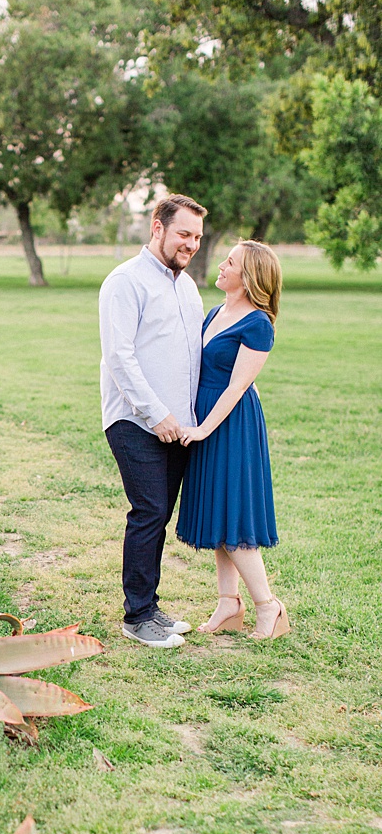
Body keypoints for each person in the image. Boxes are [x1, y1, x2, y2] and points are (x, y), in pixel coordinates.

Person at [99, 194, 208, 649]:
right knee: (148, 512)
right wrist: (156, 413)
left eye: (198, 237)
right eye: (184, 234)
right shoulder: (125, 282)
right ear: (157, 228)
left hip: (178, 426)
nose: (192, 244)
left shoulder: (187, 286)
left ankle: (150, 605)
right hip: (135, 420)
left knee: (159, 516)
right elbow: (120, 358)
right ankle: (136, 616)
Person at [176, 241, 287, 639]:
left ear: (250, 276)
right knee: (219, 516)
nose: (220, 266)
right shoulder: (217, 312)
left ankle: (267, 606)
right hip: (205, 419)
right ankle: (228, 603)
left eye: (230, 262)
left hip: (230, 424)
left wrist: (203, 428)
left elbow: (239, 386)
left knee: (235, 516)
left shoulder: (258, 323)